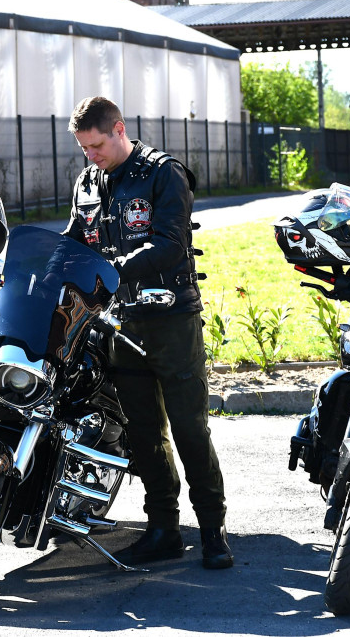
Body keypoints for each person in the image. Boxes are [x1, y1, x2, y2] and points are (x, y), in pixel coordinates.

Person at [63, 96, 233, 570]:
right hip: (120, 325)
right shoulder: (88, 181)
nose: (90, 156)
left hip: (172, 322)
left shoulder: (163, 173)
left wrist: (113, 269)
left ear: (119, 129)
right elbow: (74, 241)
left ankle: (213, 529)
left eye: (96, 145)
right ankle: (163, 529)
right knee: (143, 435)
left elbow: (170, 243)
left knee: (190, 429)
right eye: (83, 148)